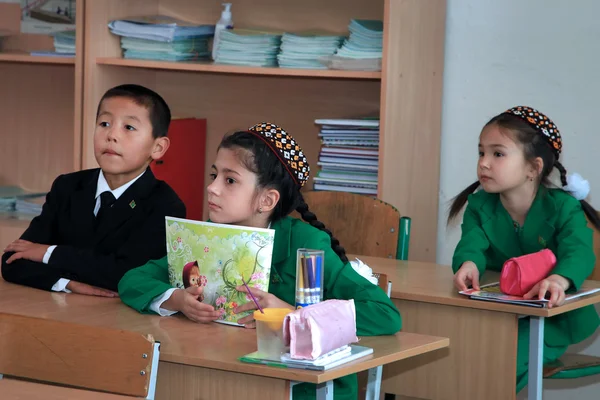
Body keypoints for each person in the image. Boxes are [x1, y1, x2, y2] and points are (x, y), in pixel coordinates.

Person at [119, 122, 401, 400]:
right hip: (226, 374)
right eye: (213, 175)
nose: (212, 188)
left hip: (303, 389)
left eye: (229, 180)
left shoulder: (307, 245)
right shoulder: (207, 237)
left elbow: (383, 314)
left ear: (267, 200)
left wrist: (293, 314)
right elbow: (133, 280)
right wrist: (177, 299)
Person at [449, 106, 600, 392]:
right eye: (481, 152)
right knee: (462, 351)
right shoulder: (480, 205)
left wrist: (559, 279)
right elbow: (471, 244)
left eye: (498, 154)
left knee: (501, 360)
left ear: (534, 167)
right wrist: (468, 264)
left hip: (554, 319)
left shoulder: (564, 207)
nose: (484, 163)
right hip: (499, 315)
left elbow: (579, 252)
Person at [2, 84, 185, 295]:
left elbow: (127, 275)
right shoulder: (67, 187)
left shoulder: (164, 205)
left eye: (129, 127)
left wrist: (49, 253)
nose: (111, 135)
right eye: (104, 123)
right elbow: (13, 260)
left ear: (158, 147)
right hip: (59, 308)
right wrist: (66, 283)